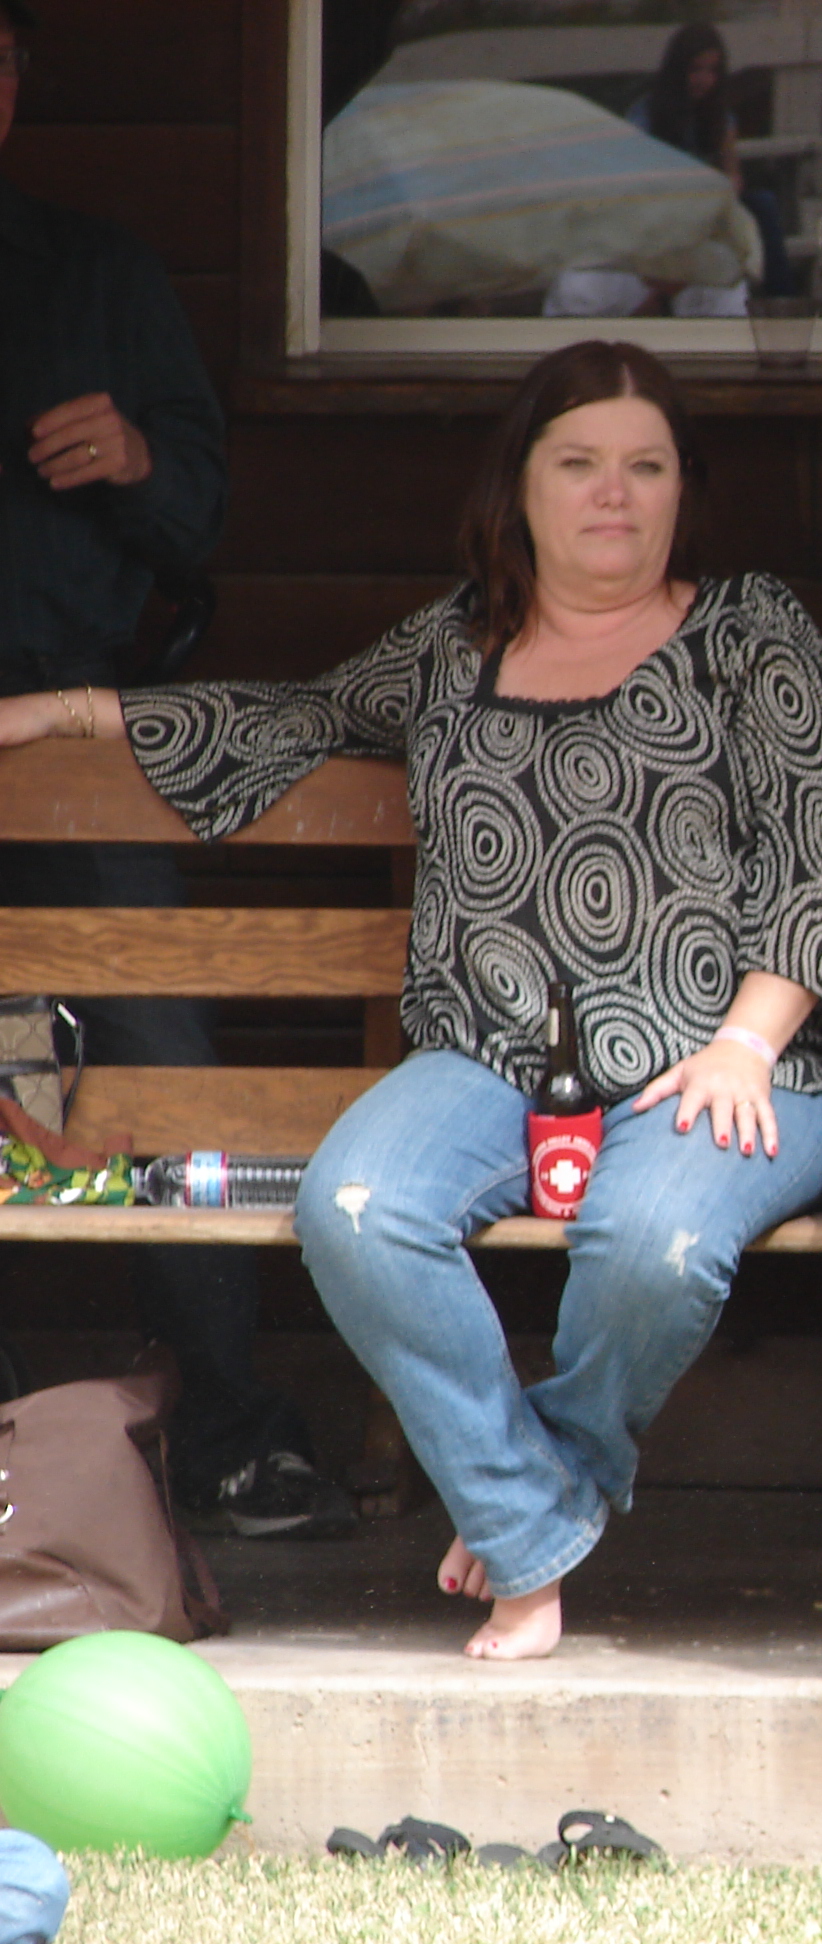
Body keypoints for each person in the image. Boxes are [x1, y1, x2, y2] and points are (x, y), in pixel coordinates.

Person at [0, 342, 822, 1660]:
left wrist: (748, 1045)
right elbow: (292, 719)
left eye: (646, 466)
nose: (613, 493)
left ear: (683, 489)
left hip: (734, 1052)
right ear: (519, 488)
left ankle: (532, 1494)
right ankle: (530, 1521)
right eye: (578, 462)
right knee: (358, 1208)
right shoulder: (454, 645)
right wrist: (69, 711)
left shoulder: (750, 632)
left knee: (653, 1244)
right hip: (490, 1055)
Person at [0, 0, 353, 1540]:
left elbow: (199, 514)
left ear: (16, 86)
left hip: (73, 749)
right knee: (14, 1081)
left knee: (147, 1071)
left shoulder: (95, 272)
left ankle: (226, 1427)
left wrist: (140, 460)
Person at [630, 22, 793, 299]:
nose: (704, 80)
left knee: (763, 204)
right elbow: (640, 175)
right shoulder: (647, 114)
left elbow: (733, 173)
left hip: (711, 206)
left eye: (712, 71)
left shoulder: (720, 118)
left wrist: (727, 187)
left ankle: (781, 299)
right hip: (667, 205)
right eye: (696, 69)